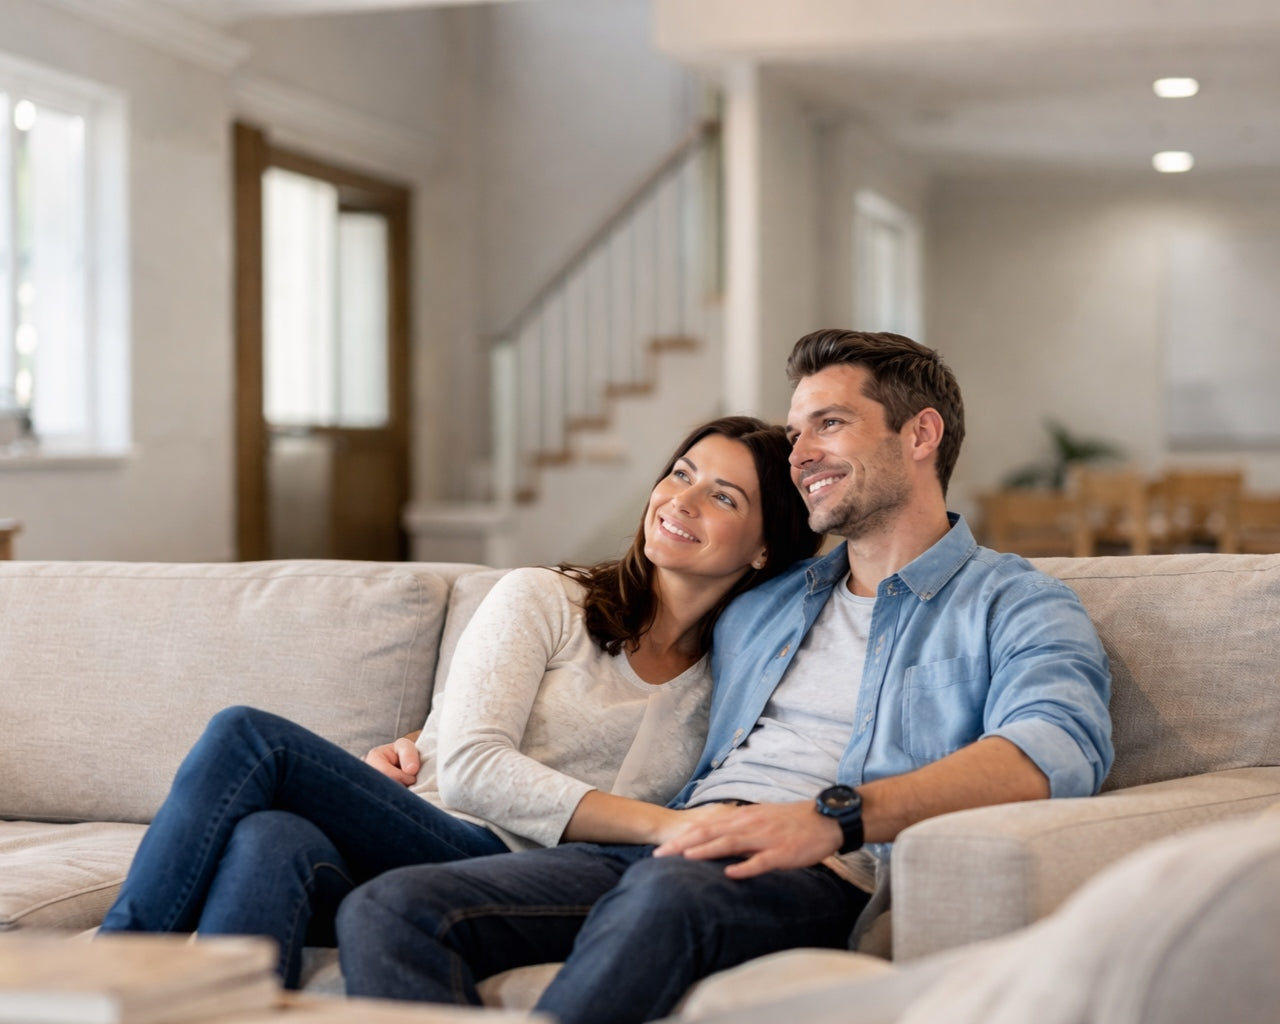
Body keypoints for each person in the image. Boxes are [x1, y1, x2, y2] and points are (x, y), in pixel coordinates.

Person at [334, 329, 1114, 1024]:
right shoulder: (764, 602)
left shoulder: (1013, 601)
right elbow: (625, 666)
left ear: (922, 434)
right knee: (392, 906)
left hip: (814, 868)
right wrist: (433, 737)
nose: (800, 450)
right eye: (798, 428)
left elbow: (1055, 745)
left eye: (830, 423)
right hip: (674, 843)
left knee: (668, 895)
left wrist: (833, 818)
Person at [97, 415, 820, 988]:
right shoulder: (545, 598)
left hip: (524, 878)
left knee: (262, 791)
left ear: (765, 549)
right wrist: (667, 826)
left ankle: (119, 980)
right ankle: (120, 973)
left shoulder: (733, 681)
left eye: (722, 497)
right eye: (680, 474)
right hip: (438, 828)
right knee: (258, 783)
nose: (680, 501)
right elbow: (471, 768)